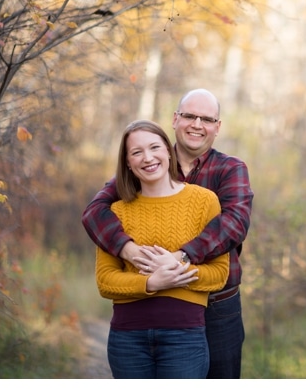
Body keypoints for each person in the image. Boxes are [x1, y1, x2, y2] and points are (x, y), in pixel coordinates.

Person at [83, 89, 254, 378]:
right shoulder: (149, 160)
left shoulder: (229, 169)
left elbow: (234, 224)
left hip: (217, 303)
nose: (197, 124)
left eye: (207, 119)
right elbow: (94, 212)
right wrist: (130, 251)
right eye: (189, 116)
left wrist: (181, 258)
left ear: (217, 127)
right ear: (175, 120)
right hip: (149, 309)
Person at [96, 120, 228, 378]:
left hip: (185, 338)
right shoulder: (117, 211)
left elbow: (219, 274)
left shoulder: (204, 201)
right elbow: (105, 280)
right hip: (127, 338)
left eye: (154, 147)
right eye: (136, 152)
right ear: (127, 162)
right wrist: (152, 283)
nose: (147, 158)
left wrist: (177, 271)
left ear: (169, 151)